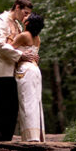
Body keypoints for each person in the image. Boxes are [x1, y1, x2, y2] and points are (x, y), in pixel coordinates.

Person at [0, 0, 32, 141]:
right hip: (3, 67)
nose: (26, 16)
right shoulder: (0, 20)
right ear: (17, 7)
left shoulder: (17, 24)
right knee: (3, 103)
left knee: (13, 105)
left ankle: (7, 138)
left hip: (17, 68)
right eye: (25, 13)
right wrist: (20, 55)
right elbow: (0, 45)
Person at [9, 13, 45, 142]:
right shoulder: (37, 38)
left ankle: (31, 137)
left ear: (28, 23)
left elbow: (9, 49)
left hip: (25, 69)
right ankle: (37, 135)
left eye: (26, 17)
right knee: (35, 102)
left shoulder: (23, 35)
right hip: (36, 69)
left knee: (26, 102)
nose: (24, 17)